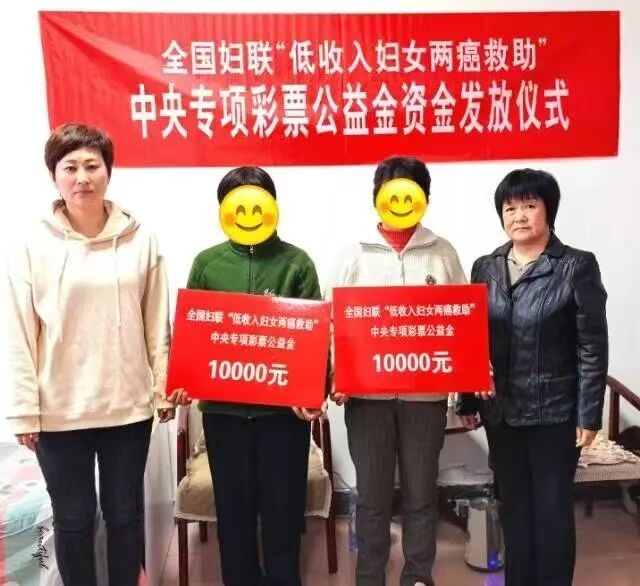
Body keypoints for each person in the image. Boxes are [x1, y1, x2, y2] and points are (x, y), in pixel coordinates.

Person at [5, 123, 175, 586]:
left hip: (127, 407)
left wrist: (163, 389)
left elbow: (157, 322)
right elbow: (18, 333)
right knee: (74, 518)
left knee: (125, 515)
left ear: (108, 172)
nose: (82, 177)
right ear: (54, 176)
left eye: (92, 166)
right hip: (59, 411)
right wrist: (24, 411)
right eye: (70, 167)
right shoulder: (32, 245)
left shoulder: (141, 239)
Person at [174, 166, 325, 586]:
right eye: (237, 205)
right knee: (234, 513)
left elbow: (314, 340)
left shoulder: (297, 262)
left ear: (272, 207)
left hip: (283, 416)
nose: (248, 213)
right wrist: (183, 380)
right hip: (225, 415)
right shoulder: (207, 263)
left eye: (257, 203)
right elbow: (192, 333)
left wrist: (314, 392)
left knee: (283, 510)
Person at [457, 169, 608, 586]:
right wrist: (468, 399)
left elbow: (592, 345)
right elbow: (472, 337)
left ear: (548, 211)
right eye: (510, 208)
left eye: (529, 205)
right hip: (501, 411)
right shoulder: (485, 266)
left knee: (552, 512)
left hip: (555, 414)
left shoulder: (575, 266)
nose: (519, 216)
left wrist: (589, 414)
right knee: (515, 509)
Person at [328, 156, 467, 586]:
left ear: (424, 199)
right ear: (377, 198)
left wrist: (465, 383)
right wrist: (337, 375)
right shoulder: (354, 254)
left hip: (425, 400)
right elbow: (332, 324)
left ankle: (418, 576)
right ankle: (370, 576)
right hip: (366, 400)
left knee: (421, 495)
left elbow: (462, 321)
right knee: (371, 498)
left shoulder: (442, 253)